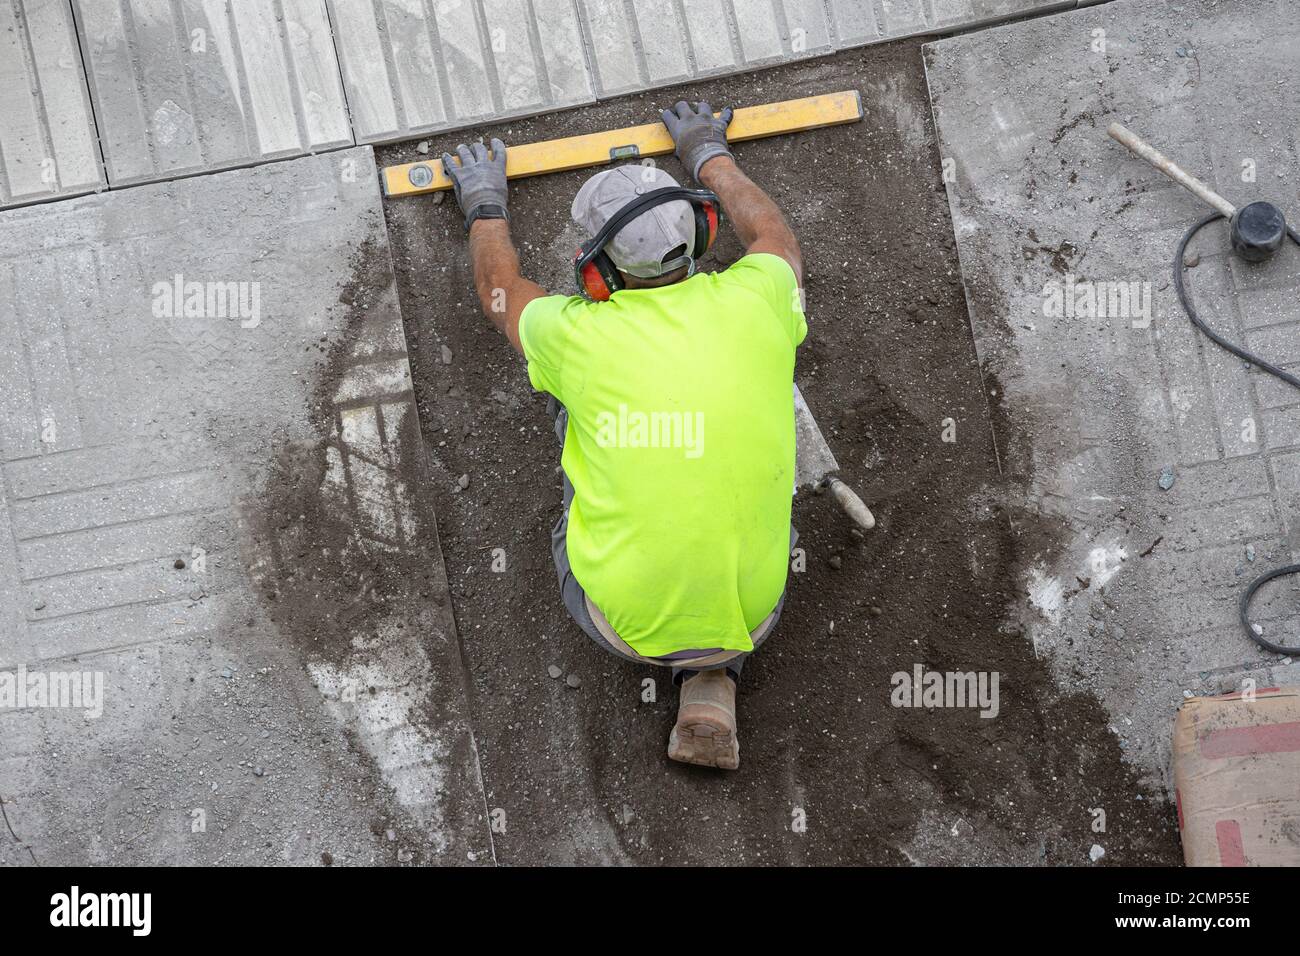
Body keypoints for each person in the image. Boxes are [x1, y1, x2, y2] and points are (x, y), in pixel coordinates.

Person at [442, 101, 806, 769]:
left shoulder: (574, 335)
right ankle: (710, 679)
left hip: (619, 624)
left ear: (599, 274)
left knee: (566, 404)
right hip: (756, 611)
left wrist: (484, 202)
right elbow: (774, 235)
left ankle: (687, 661)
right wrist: (706, 151)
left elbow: (500, 291)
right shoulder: (762, 294)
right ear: (700, 229)